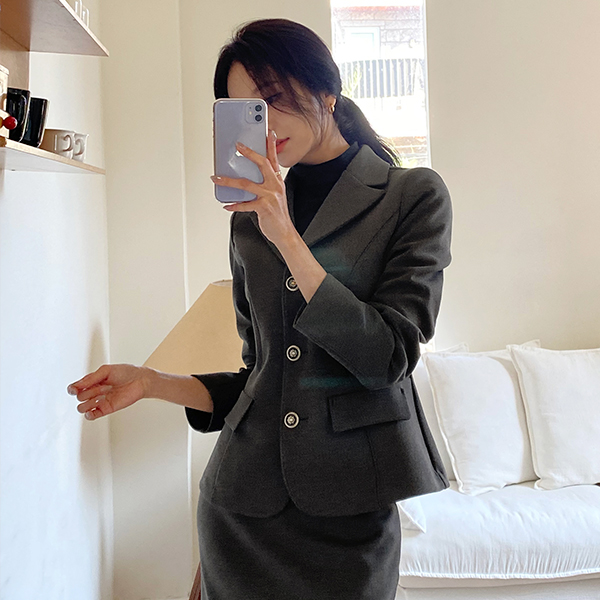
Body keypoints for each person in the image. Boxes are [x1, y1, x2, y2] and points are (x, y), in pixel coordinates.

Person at [67, 18, 453, 600]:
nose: (264, 124)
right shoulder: (250, 217)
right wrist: (152, 383)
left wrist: (286, 236)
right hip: (240, 511)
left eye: (272, 98)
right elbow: (263, 375)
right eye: (245, 110)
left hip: (349, 513)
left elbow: (388, 357)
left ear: (327, 91)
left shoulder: (411, 196)